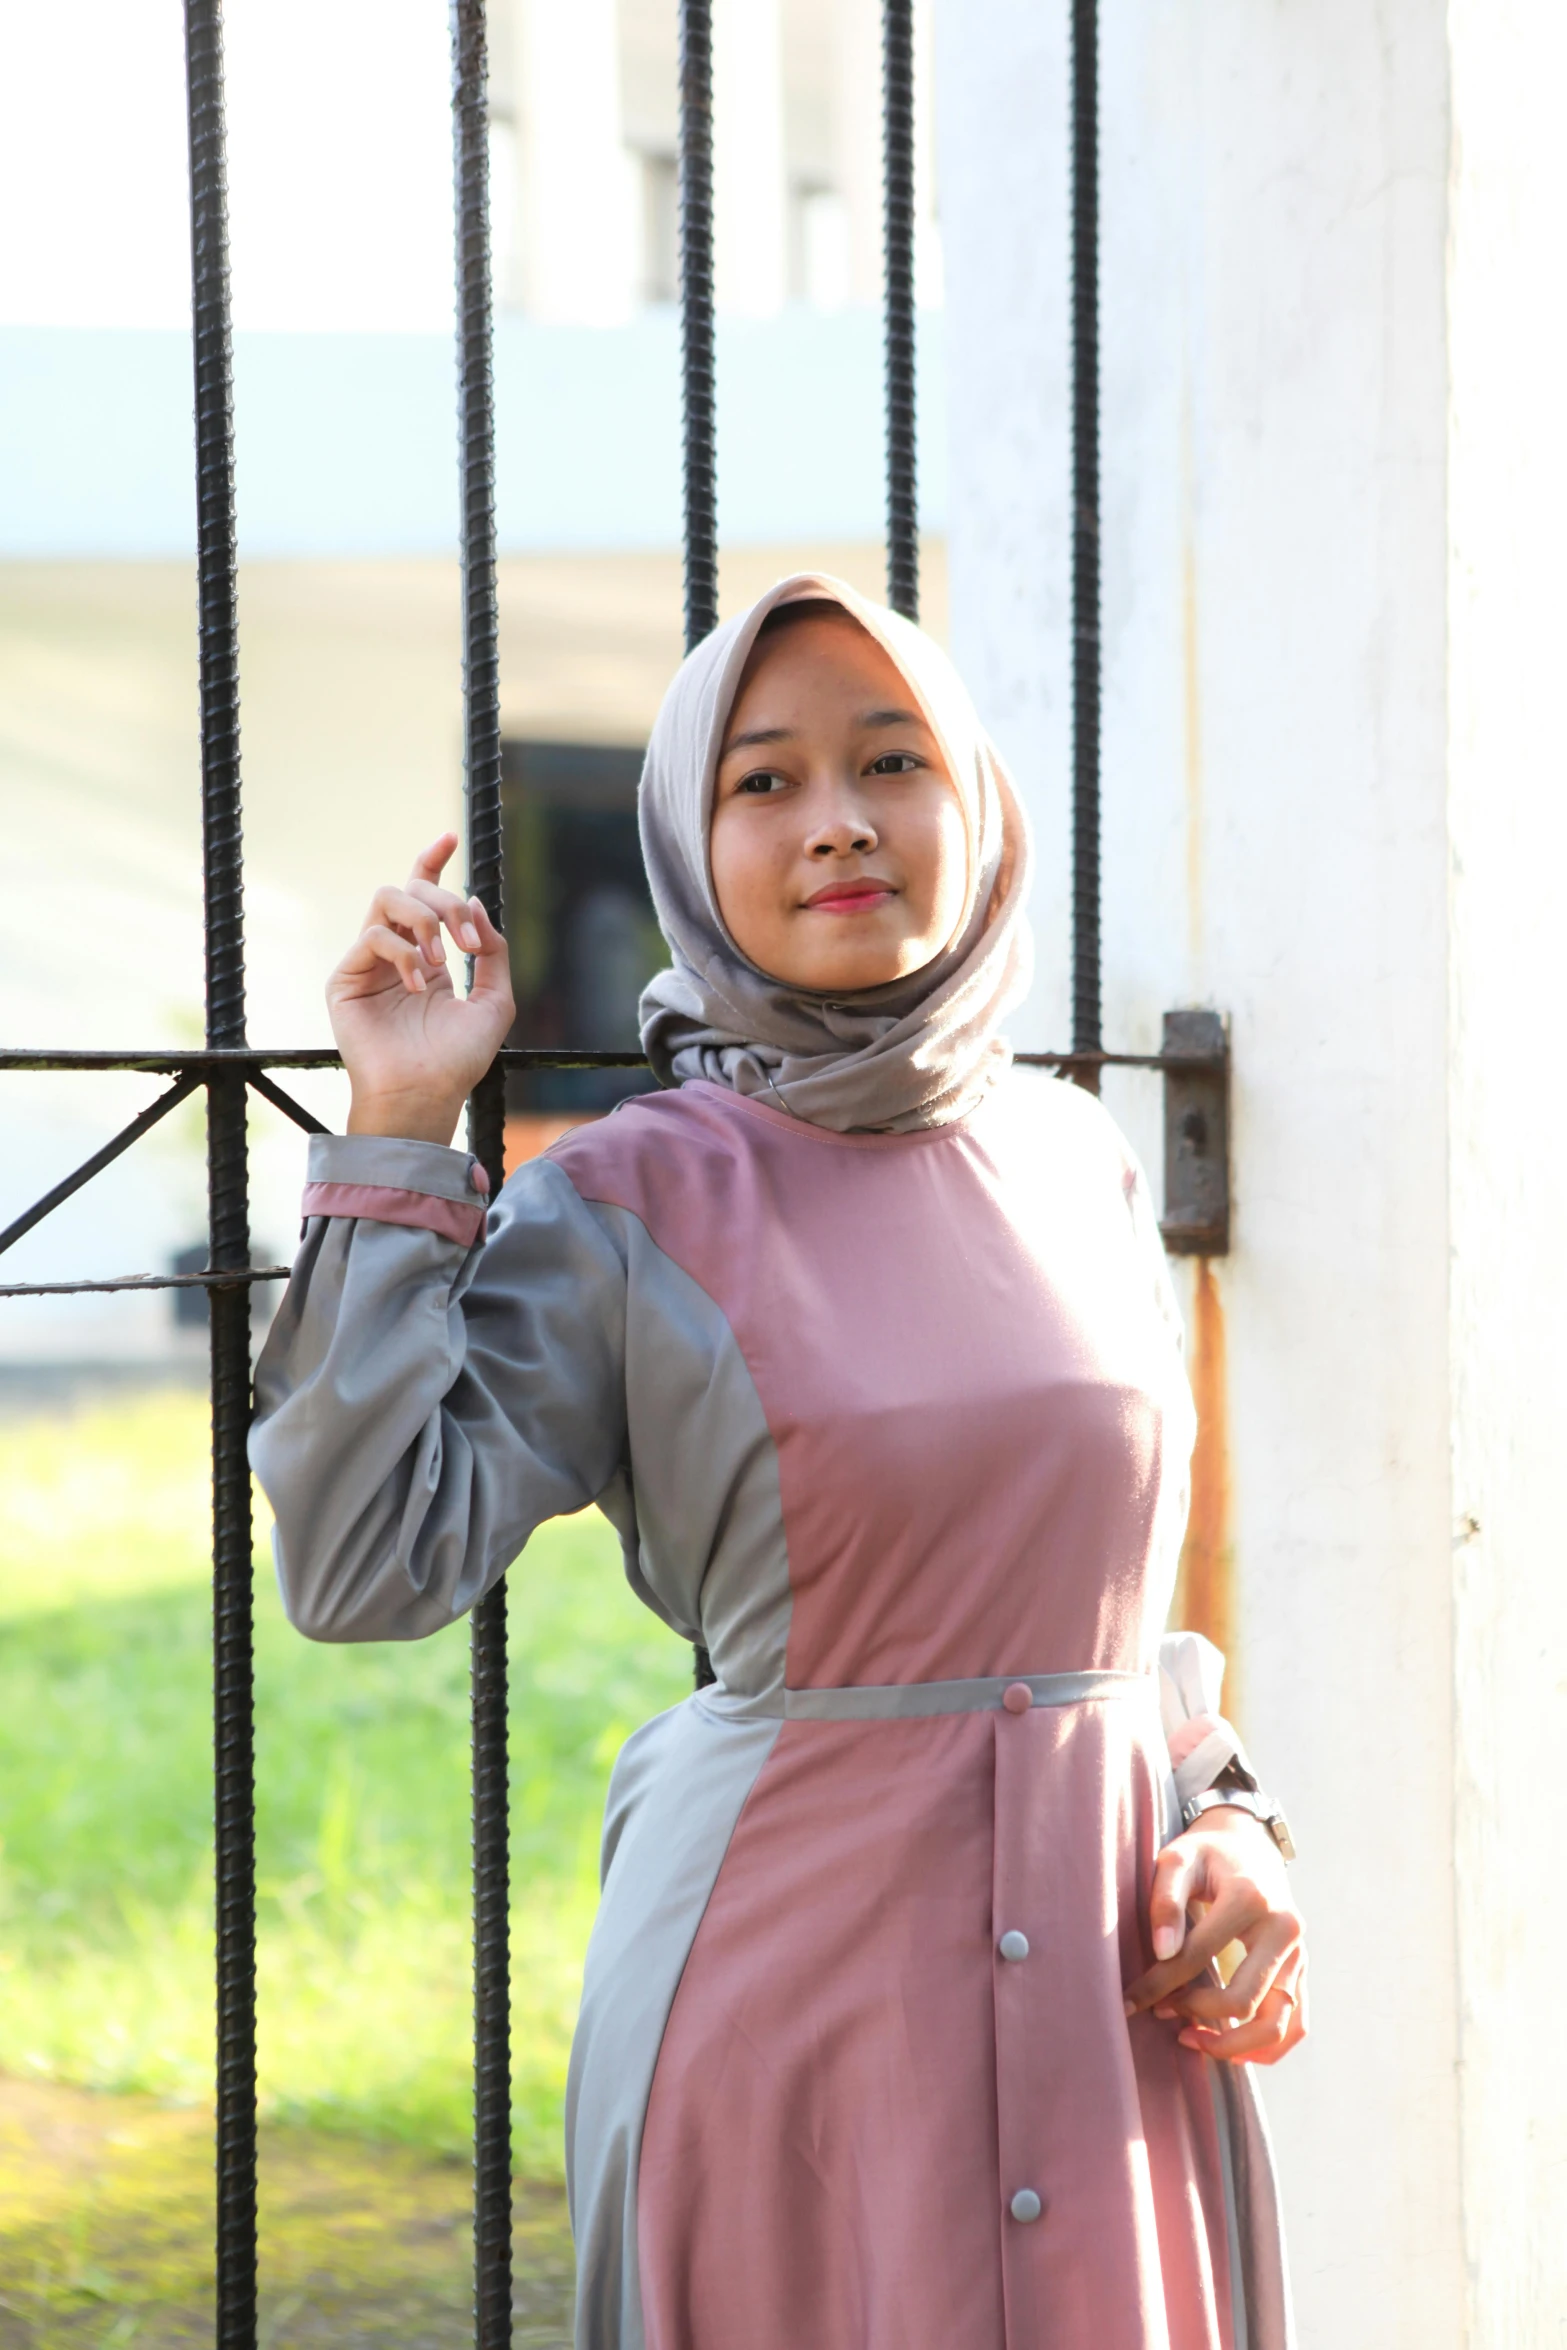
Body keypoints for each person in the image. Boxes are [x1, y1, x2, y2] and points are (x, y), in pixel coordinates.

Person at [250, 573, 1305, 2350]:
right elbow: (364, 1563)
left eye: (889, 762)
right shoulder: (628, 1198)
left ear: (969, 801)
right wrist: (403, 1126)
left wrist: (1232, 1816)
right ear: (689, 835)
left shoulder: (1077, 1159)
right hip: (794, 2030)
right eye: (764, 782)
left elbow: (1122, 1604)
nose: (837, 823)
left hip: (1107, 2017)